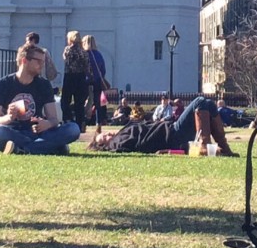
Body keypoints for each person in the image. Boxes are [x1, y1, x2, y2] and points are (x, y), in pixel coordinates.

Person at [0, 41, 80, 155]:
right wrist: (8, 118)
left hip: (38, 133)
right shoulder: (2, 84)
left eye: (43, 61)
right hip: (13, 132)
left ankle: (22, 149)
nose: (42, 65)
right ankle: (50, 147)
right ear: (24, 61)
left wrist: (47, 124)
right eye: (39, 61)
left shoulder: (44, 84)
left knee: (73, 129)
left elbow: (54, 119)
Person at [88, 96, 237, 155]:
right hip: (173, 134)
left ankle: (224, 148)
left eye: (106, 133)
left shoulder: (122, 133)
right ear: (104, 146)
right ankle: (204, 144)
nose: (109, 135)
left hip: (172, 130)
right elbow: (143, 145)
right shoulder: (116, 143)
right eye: (104, 138)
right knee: (200, 102)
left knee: (209, 104)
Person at [61, 30, 89, 131]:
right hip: (81, 77)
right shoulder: (84, 51)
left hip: (70, 76)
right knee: (79, 103)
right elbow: (87, 66)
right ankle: (80, 123)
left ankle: (67, 119)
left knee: (65, 101)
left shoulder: (68, 49)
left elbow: (66, 61)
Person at [83, 34, 108, 134]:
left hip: (85, 81)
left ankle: (83, 122)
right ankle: (99, 124)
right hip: (97, 82)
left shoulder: (84, 54)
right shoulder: (99, 54)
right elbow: (103, 70)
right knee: (98, 104)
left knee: (83, 102)